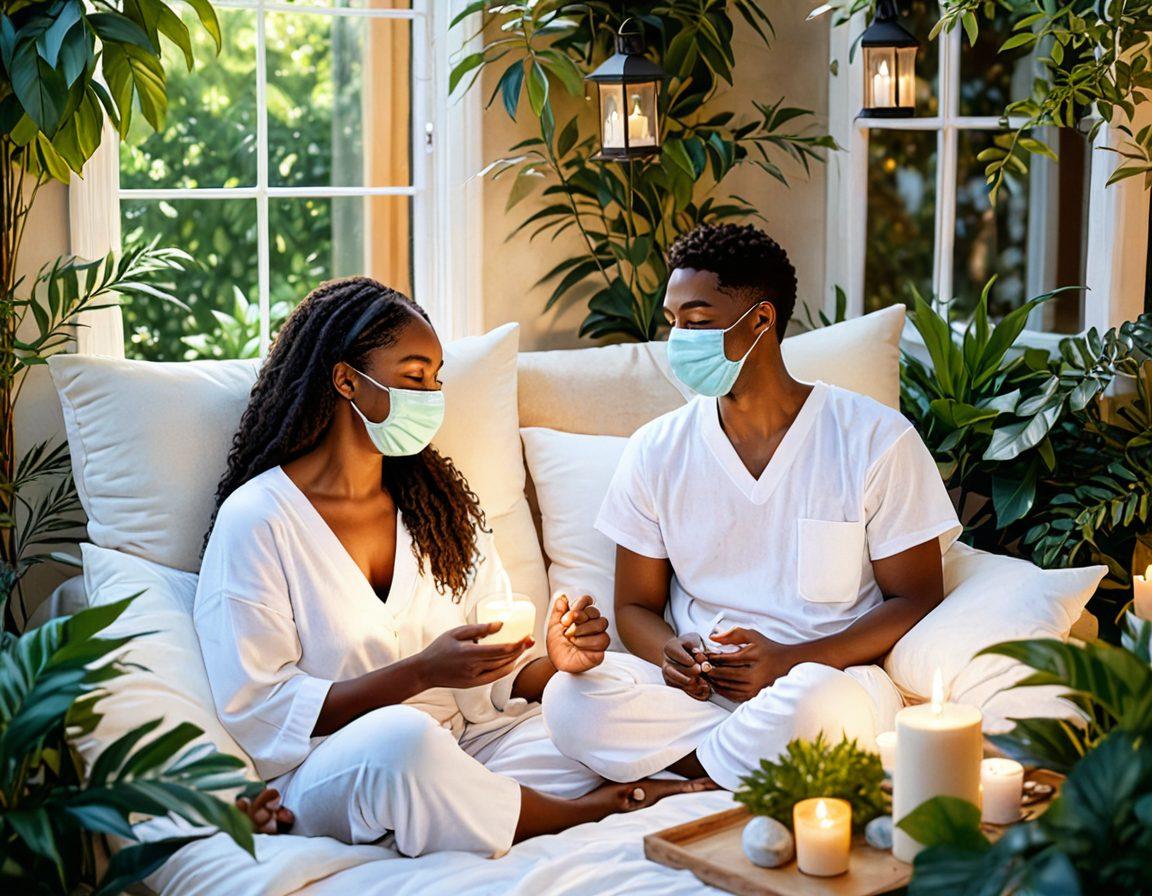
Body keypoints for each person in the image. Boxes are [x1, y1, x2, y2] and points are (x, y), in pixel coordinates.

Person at [194, 277, 709, 858]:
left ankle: (711, 760)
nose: (431, 396)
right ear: (345, 380)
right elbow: (260, 706)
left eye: (436, 379)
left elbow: (498, 674)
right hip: (344, 764)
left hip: (473, 744)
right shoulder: (259, 520)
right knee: (403, 744)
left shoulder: (441, 508)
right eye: (415, 377)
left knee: (603, 691)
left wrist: (555, 663)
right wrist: (420, 672)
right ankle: (589, 809)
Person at [543, 224, 962, 791]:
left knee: (817, 709)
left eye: (696, 322)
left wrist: (789, 661)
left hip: (822, 680)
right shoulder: (655, 449)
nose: (677, 340)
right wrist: (670, 651)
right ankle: (749, 767)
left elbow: (916, 596)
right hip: (698, 697)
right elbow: (635, 606)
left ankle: (689, 770)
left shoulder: (874, 439)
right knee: (570, 698)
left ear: (761, 320)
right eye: (672, 322)